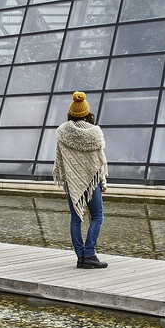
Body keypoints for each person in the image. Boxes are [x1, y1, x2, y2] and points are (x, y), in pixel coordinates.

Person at [53, 92, 109, 269]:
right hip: (92, 182)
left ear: (71, 113)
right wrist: (103, 182)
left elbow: (60, 158)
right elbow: (100, 160)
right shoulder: (95, 132)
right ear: (87, 112)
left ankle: (80, 257)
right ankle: (90, 254)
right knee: (97, 217)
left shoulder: (62, 132)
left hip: (72, 181)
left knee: (75, 219)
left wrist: (65, 176)